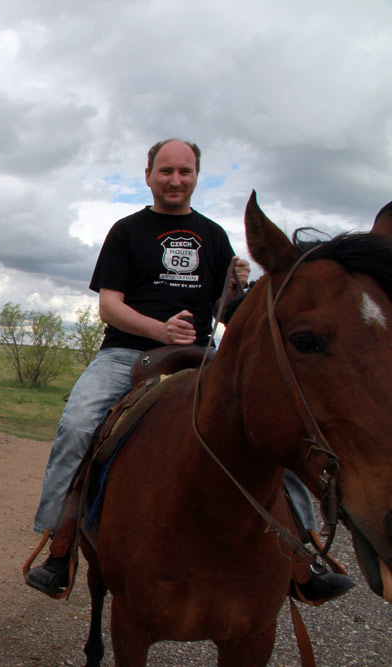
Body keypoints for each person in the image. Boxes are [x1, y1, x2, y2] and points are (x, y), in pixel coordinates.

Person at [25, 139, 354, 602]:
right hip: (126, 354)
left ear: (197, 176)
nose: (175, 180)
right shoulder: (127, 231)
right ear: (148, 176)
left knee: (278, 426)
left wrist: (240, 289)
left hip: (202, 356)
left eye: (185, 171)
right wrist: (159, 329)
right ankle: (59, 545)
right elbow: (109, 307)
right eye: (166, 171)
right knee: (78, 425)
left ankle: (304, 553)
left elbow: (226, 314)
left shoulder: (213, 236)